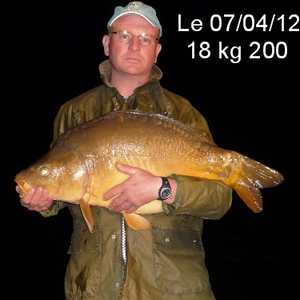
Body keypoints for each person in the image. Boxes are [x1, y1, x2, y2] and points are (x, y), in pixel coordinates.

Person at [18, 2, 232, 299]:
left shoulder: (183, 113)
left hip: (175, 286)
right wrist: (45, 203)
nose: (134, 45)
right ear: (107, 43)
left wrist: (164, 188)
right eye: (124, 35)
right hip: (92, 286)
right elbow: (66, 184)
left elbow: (221, 199)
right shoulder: (73, 112)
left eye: (146, 38)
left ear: (157, 50)